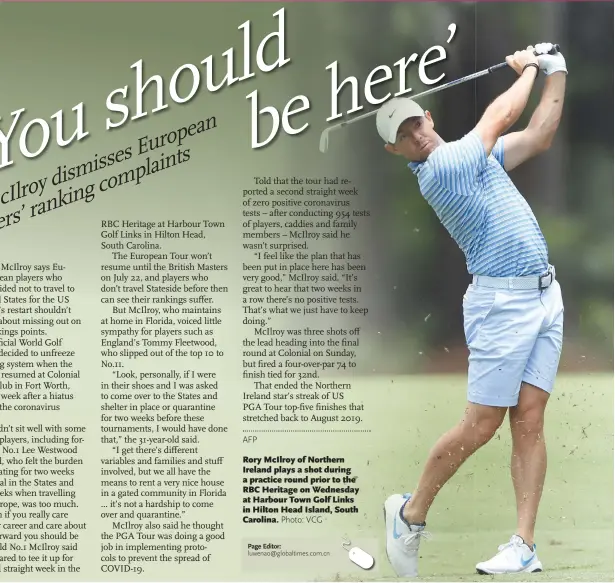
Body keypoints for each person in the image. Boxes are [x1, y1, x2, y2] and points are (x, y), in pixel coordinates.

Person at [377, 43, 567, 577]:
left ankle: (523, 546)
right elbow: (502, 114)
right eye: (403, 137)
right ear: (396, 152)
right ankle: (409, 515)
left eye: (415, 123)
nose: (415, 134)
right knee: (482, 425)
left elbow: (538, 134)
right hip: (500, 304)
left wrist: (556, 72)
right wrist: (528, 66)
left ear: (427, 116)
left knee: (529, 420)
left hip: (543, 296)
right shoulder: (443, 169)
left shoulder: (474, 155)